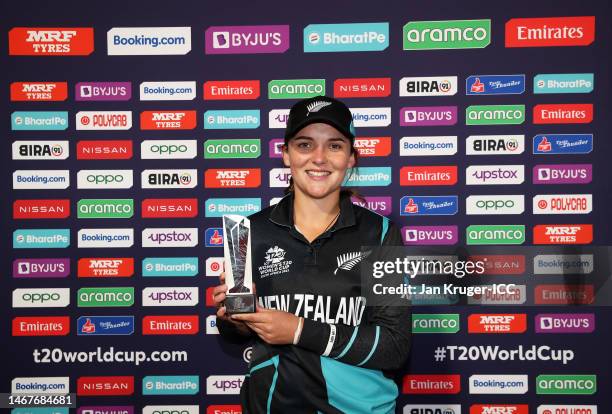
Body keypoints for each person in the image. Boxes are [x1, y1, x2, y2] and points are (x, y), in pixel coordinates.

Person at [213, 96, 411, 413]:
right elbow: (237, 334)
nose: (319, 158)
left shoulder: (381, 233)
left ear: (351, 158)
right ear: (285, 155)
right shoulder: (247, 232)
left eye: (334, 146)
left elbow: (395, 346)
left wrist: (299, 329)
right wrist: (234, 320)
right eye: (305, 145)